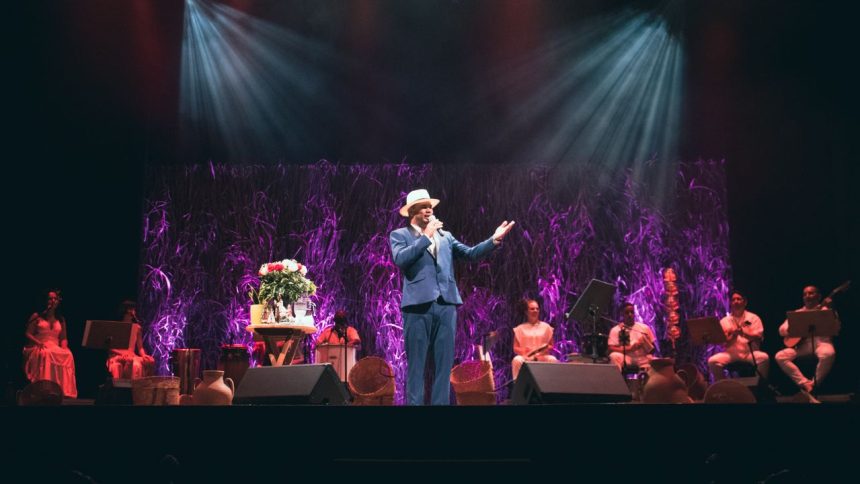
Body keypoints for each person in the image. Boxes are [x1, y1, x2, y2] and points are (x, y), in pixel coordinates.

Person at [390, 188, 514, 405]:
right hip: (417, 306)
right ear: (412, 212)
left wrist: (493, 240)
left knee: (443, 365)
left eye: (431, 206)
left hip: (446, 305)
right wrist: (426, 236)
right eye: (424, 206)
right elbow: (401, 260)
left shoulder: (445, 237)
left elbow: (470, 253)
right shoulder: (400, 235)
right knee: (417, 366)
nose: (430, 209)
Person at [775, 285, 836, 393]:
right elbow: (781, 330)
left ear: (819, 296)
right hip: (803, 346)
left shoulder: (826, 310)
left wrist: (830, 309)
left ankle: (814, 383)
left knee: (829, 353)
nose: (807, 296)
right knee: (780, 356)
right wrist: (794, 329)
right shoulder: (798, 312)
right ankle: (804, 383)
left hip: (822, 343)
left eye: (811, 293)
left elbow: (835, 327)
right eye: (805, 294)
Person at [23, 289, 78, 398]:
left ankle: (64, 391)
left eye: (55, 298)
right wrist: (38, 343)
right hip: (39, 344)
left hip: (55, 345)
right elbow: (28, 333)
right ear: (45, 300)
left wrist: (65, 347)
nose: (53, 301)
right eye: (50, 298)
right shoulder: (37, 316)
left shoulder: (61, 319)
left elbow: (63, 338)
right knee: (47, 353)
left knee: (68, 355)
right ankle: (45, 390)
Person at [707, 290, 770, 381]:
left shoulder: (753, 318)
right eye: (733, 300)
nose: (735, 301)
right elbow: (721, 342)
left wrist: (743, 333)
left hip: (749, 353)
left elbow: (758, 336)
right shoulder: (724, 321)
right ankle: (723, 386)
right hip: (730, 354)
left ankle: (759, 386)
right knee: (712, 361)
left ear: (745, 302)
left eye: (738, 299)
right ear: (731, 303)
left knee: (764, 358)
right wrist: (732, 336)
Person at [106, 300, 155, 380]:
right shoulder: (115, 326)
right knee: (117, 365)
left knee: (137, 365)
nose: (134, 312)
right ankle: (119, 389)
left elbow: (140, 347)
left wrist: (144, 355)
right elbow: (110, 347)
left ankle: (134, 389)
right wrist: (122, 354)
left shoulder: (137, 328)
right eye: (133, 310)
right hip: (117, 355)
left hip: (131, 355)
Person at [511, 299, 558, 380]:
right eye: (532, 309)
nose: (535, 311)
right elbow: (515, 348)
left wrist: (544, 350)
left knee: (552, 359)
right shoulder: (520, 328)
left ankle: (552, 387)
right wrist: (524, 350)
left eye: (537, 309)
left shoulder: (546, 327)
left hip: (542, 357)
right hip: (526, 357)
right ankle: (518, 385)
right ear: (526, 311)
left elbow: (551, 345)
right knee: (517, 360)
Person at [607, 302, 656, 372]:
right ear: (622, 314)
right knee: (613, 356)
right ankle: (617, 381)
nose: (630, 315)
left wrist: (646, 344)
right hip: (627, 358)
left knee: (658, 362)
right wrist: (631, 348)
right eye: (627, 313)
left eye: (632, 312)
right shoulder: (616, 329)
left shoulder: (644, 328)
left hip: (643, 358)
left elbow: (653, 349)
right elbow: (611, 348)